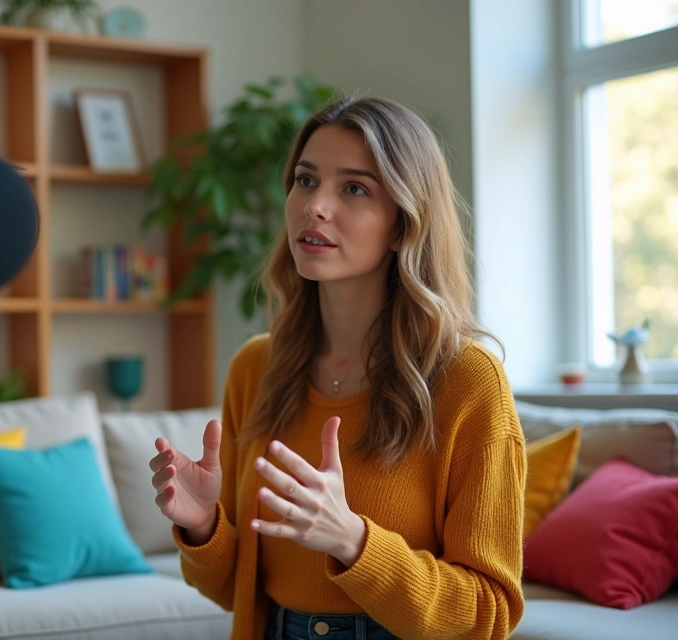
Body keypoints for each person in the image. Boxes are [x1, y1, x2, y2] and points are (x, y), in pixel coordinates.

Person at [149, 96, 526, 640]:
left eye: (354, 188)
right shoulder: (257, 368)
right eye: (305, 180)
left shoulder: (468, 380)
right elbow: (235, 594)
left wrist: (353, 541)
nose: (314, 206)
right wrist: (203, 524)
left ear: (404, 223)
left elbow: (487, 617)